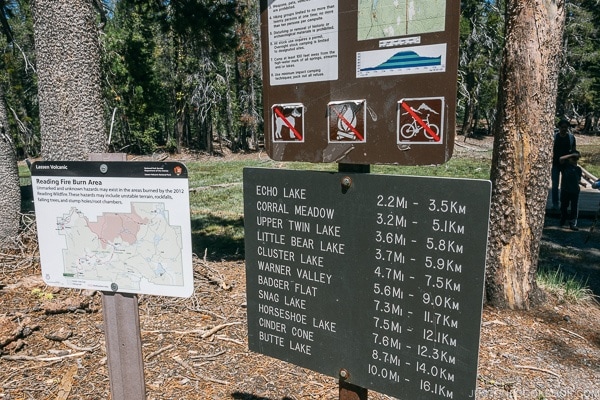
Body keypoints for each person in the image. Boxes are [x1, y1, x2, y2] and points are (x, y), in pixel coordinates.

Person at [551, 119, 576, 210]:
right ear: (559, 127)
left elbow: (574, 152)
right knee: (555, 185)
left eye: (566, 127)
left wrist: (572, 163)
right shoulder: (554, 137)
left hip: (567, 165)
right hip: (555, 164)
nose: (564, 129)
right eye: (562, 127)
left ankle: (563, 203)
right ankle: (555, 203)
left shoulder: (571, 138)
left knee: (565, 186)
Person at [559, 150, 586, 230]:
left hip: (575, 190)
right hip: (565, 189)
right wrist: (571, 155)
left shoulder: (578, 169)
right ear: (569, 158)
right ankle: (563, 219)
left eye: (575, 158)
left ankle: (572, 223)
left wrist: (582, 183)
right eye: (572, 158)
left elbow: (577, 179)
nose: (574, 160)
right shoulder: (565, 166)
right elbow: (560, 159)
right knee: (564, 206)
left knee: (574, 207)